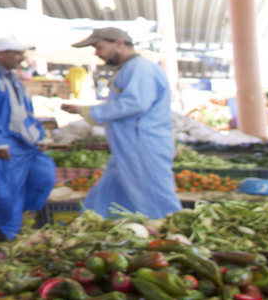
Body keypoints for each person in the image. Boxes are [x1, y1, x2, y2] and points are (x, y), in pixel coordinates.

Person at [62, 27, 182, 219]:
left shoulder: (140, 68)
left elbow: (135, 103)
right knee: (105, 198)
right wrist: (84, 109)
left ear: (119, 43)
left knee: (157, 202)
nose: (97, 53)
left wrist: (87, 111)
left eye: (99, 47)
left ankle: (175, 238)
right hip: (128, 148)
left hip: (142, 146)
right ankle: (95, 232)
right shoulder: (129, 69)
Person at [0, 36, 56, 241]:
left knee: (43, 174)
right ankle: (5, 239)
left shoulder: (12, 78)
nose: (21, 58)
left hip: (23, 145)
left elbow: (26, 111)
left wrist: (38, 136)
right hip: (0, 147)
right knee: (3, 195)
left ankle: (11, 229)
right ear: (0, 54)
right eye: (16, 53)